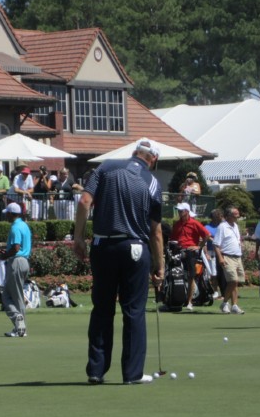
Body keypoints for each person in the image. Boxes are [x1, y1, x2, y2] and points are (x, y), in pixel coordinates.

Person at [74, 137, 164, 385]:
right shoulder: (153, 182)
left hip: (103, 245)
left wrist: (78, 237)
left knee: (102, 309)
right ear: (153, 158)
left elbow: (84, 201)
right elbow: (156, 231)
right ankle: (132, 374)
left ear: (135, 151)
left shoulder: (106, 167)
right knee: (133, 311)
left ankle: (96, 371)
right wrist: (160, 266)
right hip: (136, 247)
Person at [170, 202, 211, 311]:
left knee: (191, 276)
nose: (179, 212)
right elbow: (173, 238)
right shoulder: (177, 224)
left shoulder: (194, 223)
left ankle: (189, 302)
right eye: (178, 210)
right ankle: (174, 298)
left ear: (187, 212)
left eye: (181, 211)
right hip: (178, 251)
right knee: (174, 274)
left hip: (190, 252)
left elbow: (206, 235)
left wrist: (198, 247)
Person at [0, 202, 32, 338]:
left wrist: (5, 255)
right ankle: (20, 327)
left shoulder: (15, 227)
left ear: (11, 214)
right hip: (24, 261)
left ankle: (18, 321)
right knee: (14, 294)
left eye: (7, 213)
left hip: (16, 261)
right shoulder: (24, 225)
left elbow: (16, 247)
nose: (5, 215)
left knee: (9, 296)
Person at [213, 206, 245, 314]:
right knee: (233, 281)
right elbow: (216, 245)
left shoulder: (235, 225)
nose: (238, 216)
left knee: (235, 282)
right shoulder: (222, 227)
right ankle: (225, 302)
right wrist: (220, 258)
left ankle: (234, 305)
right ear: (228, 216)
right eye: (235, 214)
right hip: (227, 256)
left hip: (237, 257)